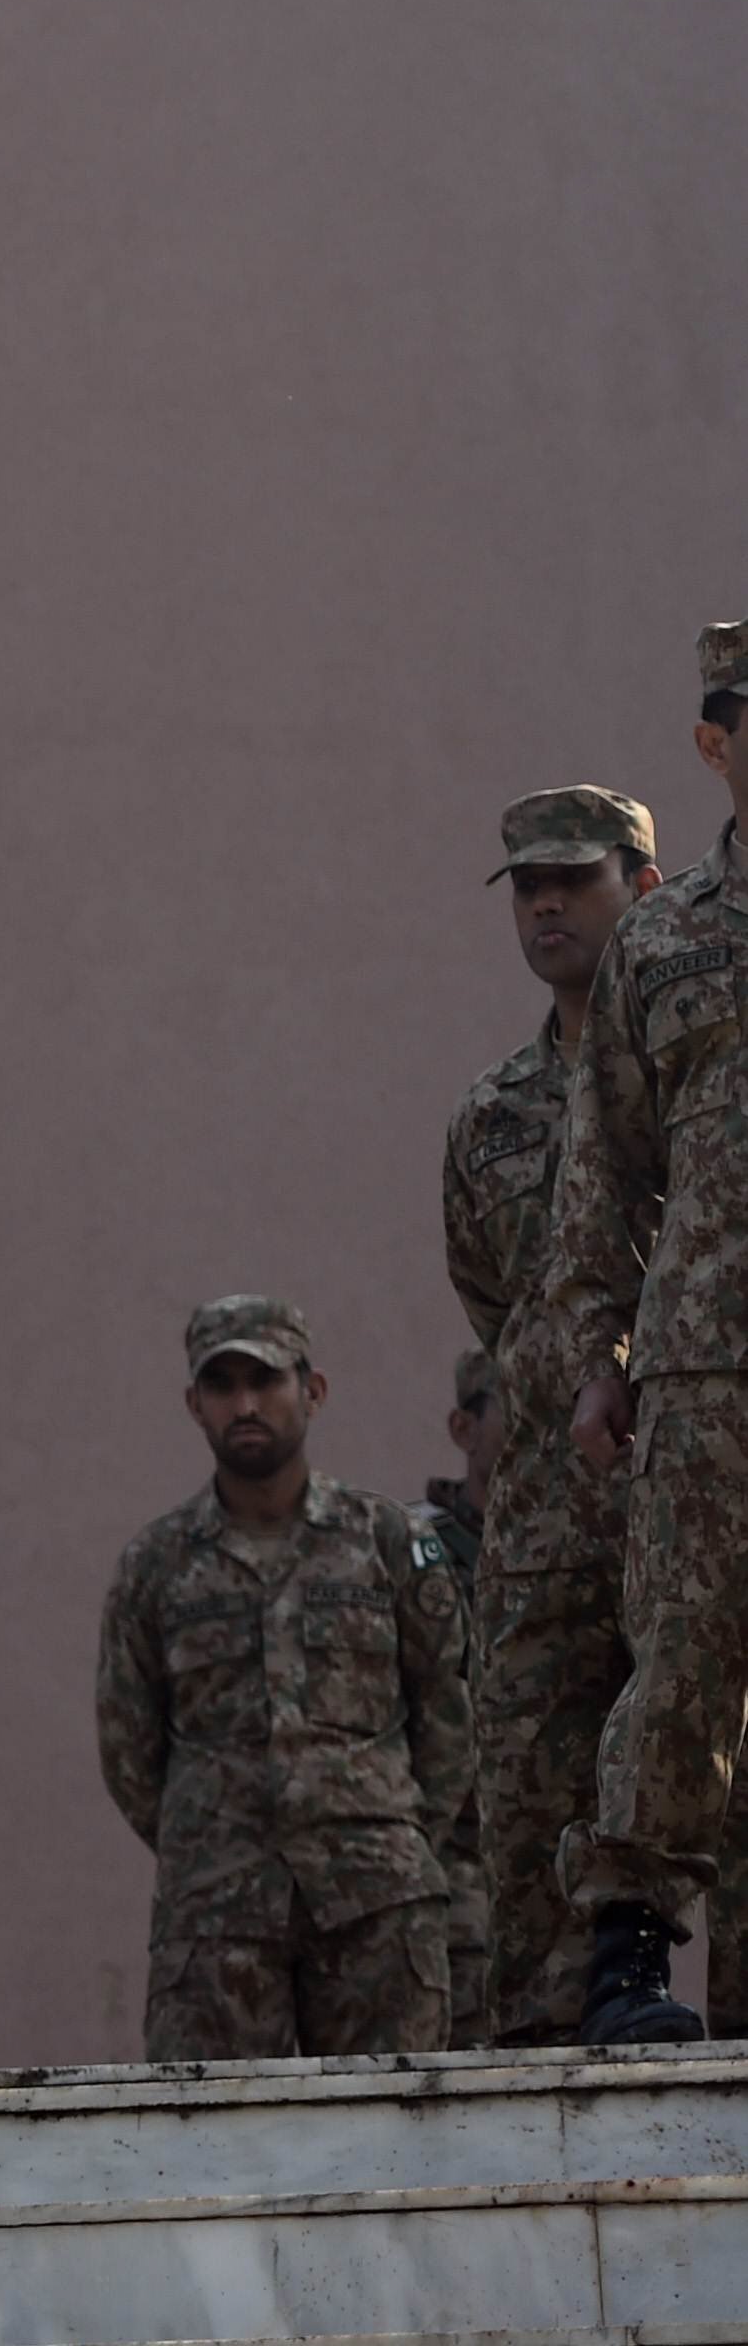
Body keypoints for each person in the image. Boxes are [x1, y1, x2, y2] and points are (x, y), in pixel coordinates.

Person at [95, 1296, 470, 2061]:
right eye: (221, 1384)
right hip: (214, 1923)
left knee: (392, 2149)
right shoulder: (154, 1566)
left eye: (265, 1380)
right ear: (192, 1404)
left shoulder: (386, 1540)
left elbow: (448, 1711)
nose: (244, 1404)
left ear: (313, 1390)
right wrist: (211, 1842)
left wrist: (388, 1832)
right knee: (213, 2156)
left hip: (377, 1912)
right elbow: (127, 1748)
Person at [553, 623, 748, 2042]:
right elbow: (603, 1170)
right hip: (701, 1363)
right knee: (682, 1656)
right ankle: (625, 1952)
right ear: (712, 742)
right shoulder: (661, 942)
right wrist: (593, 1360)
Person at [448, 787, 660, 2042]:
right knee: (531, 1784)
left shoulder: (701, 1068)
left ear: (642, 880)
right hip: (544, 1516)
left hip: (693, 1482)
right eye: (524, 884)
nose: (542, 903)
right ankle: (540, 2065)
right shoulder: (492, 1116)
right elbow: (494, 1304)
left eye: (571, 879)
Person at [417, 1348, 495, 2042]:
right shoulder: (409, 1551)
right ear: (463, 1428)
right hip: (448, 1862)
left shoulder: (598, 1544)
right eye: (514, 1410)